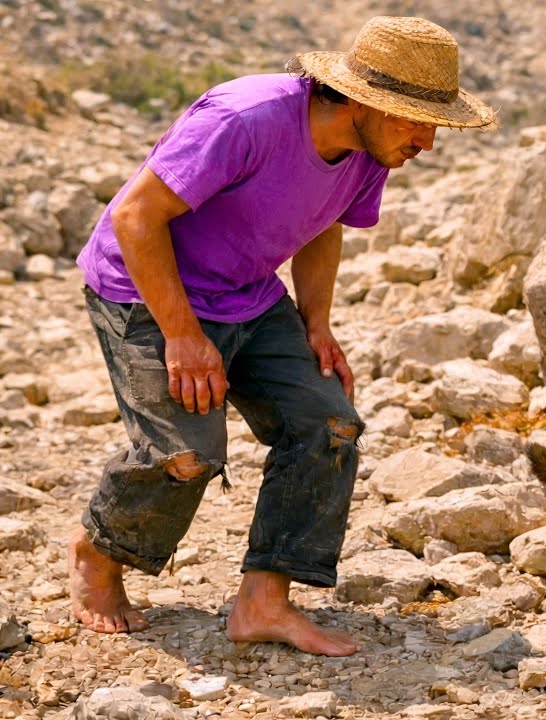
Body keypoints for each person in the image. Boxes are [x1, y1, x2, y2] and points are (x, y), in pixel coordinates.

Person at [68, 16, 497, 657]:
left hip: (248, 292)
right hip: (146, 290)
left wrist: (316, 323)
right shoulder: (245, 119)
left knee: (329, 424)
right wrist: (183, 335)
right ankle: (98, 553)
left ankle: (263, 602)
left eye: (435, 124)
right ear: (360, 100)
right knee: (186, 455)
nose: (427, 142)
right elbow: (135, 217)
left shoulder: (371, 149)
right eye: (415, 120)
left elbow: (327, 221)